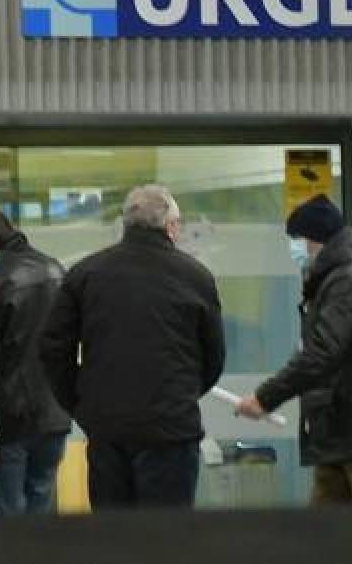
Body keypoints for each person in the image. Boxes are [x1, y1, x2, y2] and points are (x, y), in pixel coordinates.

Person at [40, 184, 225, 510]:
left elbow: (54, 348)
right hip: (171, 431)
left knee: (114, 541)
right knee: (166, 540)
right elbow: (213, 356)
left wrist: (81, 404)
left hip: (108, 430)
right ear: (170, 227)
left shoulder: (86, 274)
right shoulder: (196, 277)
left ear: (126, 225)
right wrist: (180, 394)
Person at [235, 194, 352, 508]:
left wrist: (265, 397)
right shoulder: (338, 278)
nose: (294, 248)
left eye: (296, 239)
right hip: (342, 430)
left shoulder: (349, 279)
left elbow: (322, 353)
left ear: (314, 239)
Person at [0, 205, 71, 516]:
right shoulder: (55, 269)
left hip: (11, 415)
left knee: (10, 513)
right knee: (43, 504)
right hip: (55, 412)